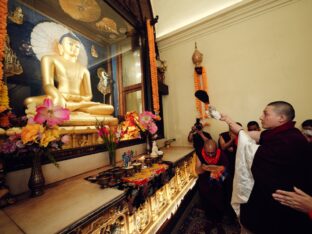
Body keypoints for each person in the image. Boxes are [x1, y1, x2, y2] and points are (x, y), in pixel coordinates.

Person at [221, 101, 311, 234]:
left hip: (276, 208)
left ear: (281, 118)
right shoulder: (283, 133)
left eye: (265, 113)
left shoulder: (291, 140)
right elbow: (256, 136)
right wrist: (231, 123)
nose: (261, 117)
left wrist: (240, 133)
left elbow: (254, 154)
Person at [25, 33, 114, 119]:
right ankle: (73, 108)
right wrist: (58, 96)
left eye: (77, 46)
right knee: (29, 102)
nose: (74, 48)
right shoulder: (49, 59)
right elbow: (48, 85)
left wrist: (78, 99)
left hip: (78, 101)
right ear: (61, 47)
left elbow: (88, 95)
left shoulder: (84, 70)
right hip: (59, 96)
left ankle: (72, 107)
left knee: (109, 108)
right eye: (70, 44)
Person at [195, 139, 228, 234]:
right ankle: (210, 221)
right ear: (204, 149)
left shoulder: (221, 153)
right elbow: (197, 171)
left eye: (212, 153)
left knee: (219, 202)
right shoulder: (200, 154)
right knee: (206, 202)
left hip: (218, 182)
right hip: (205, 182)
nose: (210, 155)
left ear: (216, 149)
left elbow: (225, 168)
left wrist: (218, 169)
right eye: (207, 153)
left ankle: (218, 222)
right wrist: (203, 168)